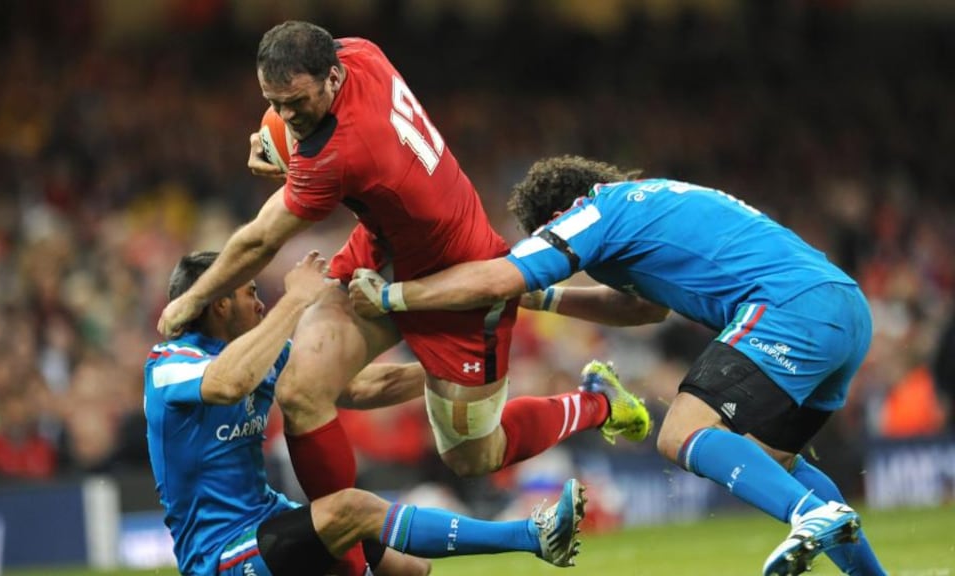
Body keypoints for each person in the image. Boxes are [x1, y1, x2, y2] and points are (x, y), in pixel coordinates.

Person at [156, 21, 646, 576]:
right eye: (274, 103)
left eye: (295, 102)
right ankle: (354, 567)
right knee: (302, 392)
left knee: (471, 456)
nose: (287, 115)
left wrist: (187, 302)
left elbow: (260, 240)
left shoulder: (342, 151)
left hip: (460, 276)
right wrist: (278, 131)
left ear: (331, 77)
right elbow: (358, 385)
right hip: (385, 249)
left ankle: (598, 403)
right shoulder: (360, 52)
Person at [349, 156, 888, 576]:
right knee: (775, 462)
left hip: (788, 308)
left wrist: (394, 297)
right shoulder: (648, 202)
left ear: (555, 220)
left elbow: (499, 277)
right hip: (843, 306)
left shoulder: (595, 212)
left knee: (680, 433)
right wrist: (546, 299)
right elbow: (643, 309)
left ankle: (807, 516)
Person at [145, 250, 586, 576]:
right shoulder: (169, 364)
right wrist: (296, 301)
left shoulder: (264, 354)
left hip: (267, 519)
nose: (261, 304)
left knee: (411, 569)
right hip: (218, 554)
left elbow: (361, 386)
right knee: (351, 509)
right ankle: (533, 535)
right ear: (220, 304)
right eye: (251, 293)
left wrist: (460, 367)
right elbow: (228, 383)